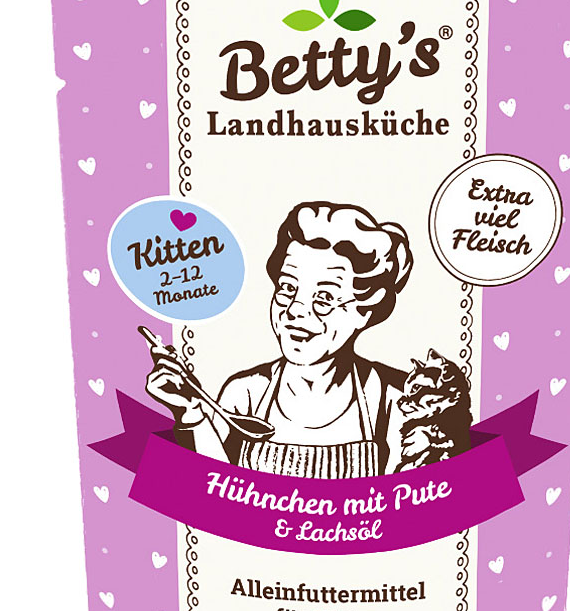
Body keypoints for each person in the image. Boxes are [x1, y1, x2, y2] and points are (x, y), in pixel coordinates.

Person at [145, 201, 414, 479]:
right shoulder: (246, 394)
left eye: (324, 297)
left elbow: (408, 502)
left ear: (364, 311)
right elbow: (212, 497)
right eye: (287, 287)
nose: (295, 309)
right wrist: (190, 410)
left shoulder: (395, 398)